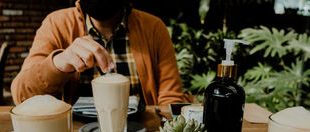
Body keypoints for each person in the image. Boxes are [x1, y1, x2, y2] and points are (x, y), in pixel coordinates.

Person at [11, 0, 185, 105]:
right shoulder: (57, 24)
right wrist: (58, 63)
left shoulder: (153, 28)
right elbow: (22, 96)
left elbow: (171, 101)